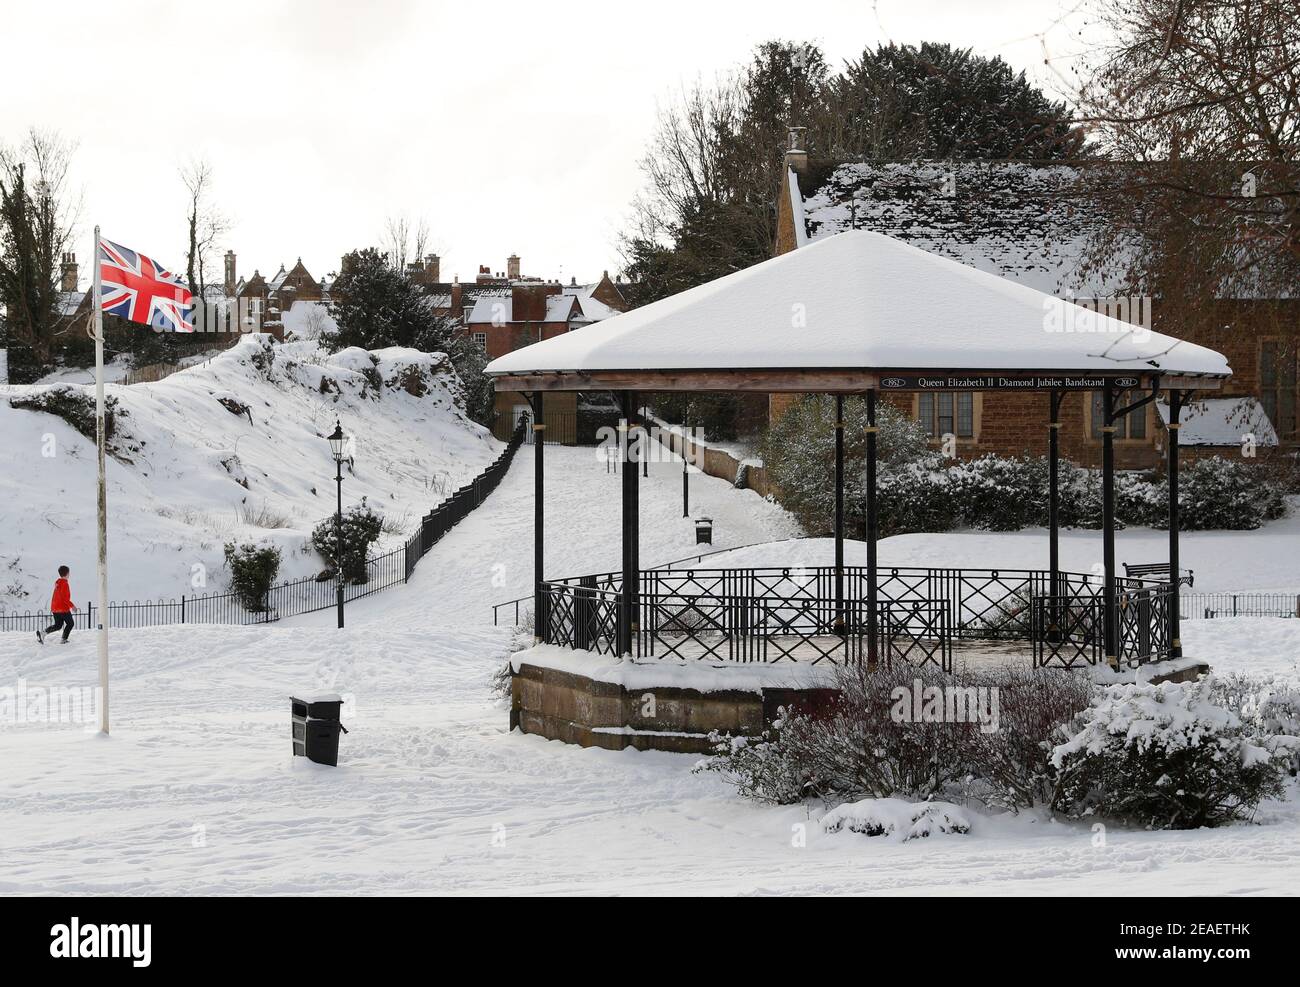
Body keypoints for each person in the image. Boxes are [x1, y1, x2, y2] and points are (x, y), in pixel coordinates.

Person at [37, 565, 77, 644]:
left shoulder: (58, 583)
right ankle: (63, 639)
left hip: (55, 608)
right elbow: (64, 598)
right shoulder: (64, 584)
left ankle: (43, 633)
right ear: (67, 573)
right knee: (70, 623)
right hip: (63, 608)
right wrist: (72, 606)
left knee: (58, 625)